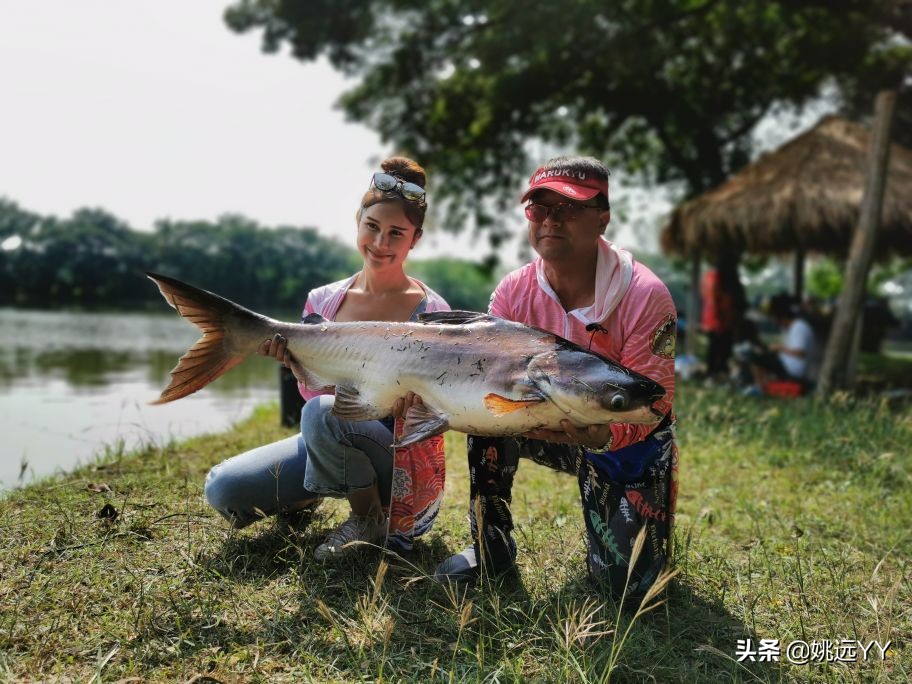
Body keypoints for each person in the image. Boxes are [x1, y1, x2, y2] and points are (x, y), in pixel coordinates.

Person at [434, 156, 678, 601]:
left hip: (622, 440)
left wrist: (602, 433)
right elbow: (481, 374)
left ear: (603, 217)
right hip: (532, 420)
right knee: (487, 418)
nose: (551, 219)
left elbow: (653, 408)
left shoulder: (645, 296)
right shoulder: (513, 292)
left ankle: (631, 548)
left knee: (632, 592)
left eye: (568, 209)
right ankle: (491, 546)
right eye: (539, 208)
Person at [204, 157, 450, 559]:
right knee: (224, 489)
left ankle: (369, 517)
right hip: (332, 435)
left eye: (396, 233)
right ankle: (310, 495)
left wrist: (413, 404)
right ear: (358, 222)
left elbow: (437, 406)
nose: (380, 243)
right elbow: (311, 392)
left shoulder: (432, 312)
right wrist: (292, 360)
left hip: (400, 460)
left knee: (321, 413)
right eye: (372, 227)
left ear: (415, 239)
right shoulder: (323, 301)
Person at [743, 293, 817, 392]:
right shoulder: (792, 328)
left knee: (754, 358)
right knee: (760, 355)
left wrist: (779, 348)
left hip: (793, 370)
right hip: (787, 365)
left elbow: (800, 353)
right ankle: (764, 386)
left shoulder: (799, 327)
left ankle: (761, 388)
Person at [700, 253, 746, 381]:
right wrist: (719, 320)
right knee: (718, 347)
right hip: (719, 320)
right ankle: (715, 372)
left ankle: (717, 371)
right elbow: (714, 300)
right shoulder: (717, 278)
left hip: (721, 319)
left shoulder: (713, 277)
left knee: (719, 347)